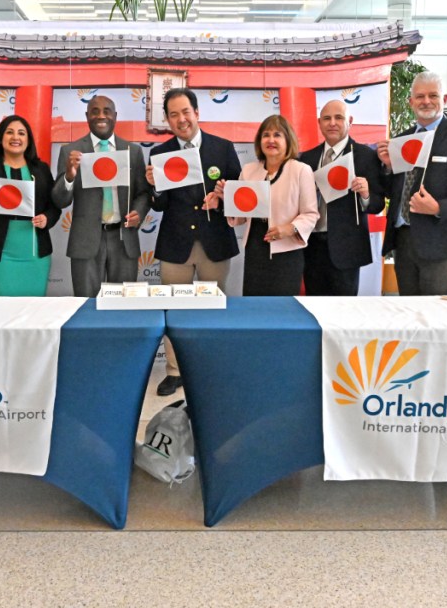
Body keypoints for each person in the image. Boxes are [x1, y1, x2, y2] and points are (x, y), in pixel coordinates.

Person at [145, 87, 242, 395]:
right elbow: (158, 205)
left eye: (185, 112)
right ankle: (174, 371)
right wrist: (155, 188)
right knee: (173, 309)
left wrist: (223, 200)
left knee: (213, 308)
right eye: (173, 114)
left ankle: (211, 365)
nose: (181, 119)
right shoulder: (160, 153)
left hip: (214, 241)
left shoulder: (223, 148)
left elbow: (240, 196)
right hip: (176, 244)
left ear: (197, 113)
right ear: (167, 120)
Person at [377, 71, 447, 296]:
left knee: (439, 316)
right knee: (408, 313)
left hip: (441, 240)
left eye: (433, 95)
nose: (426, 101)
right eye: (420, 96)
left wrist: (439, 208)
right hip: (403, 239)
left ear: (444, 100)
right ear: (411, 101)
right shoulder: (400, 140)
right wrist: (388, 167)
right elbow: (392, 191)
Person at [52, 95, 151, 297]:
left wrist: (138, 213)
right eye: (95, 111)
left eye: (107, 111)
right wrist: (70, 175)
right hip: (85, 240)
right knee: (85, 305)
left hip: (124, 239)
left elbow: (143, 193)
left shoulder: (133, 151)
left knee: (123, 307)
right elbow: (60, 200)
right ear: (87, 116)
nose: (101, 115)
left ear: (115, 116)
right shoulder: (70, 151)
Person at [299, 100, 386, 296]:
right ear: (319, 122)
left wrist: (365, 194)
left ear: (350, 121)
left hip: (347, 249)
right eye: (327, 118)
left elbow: (378, 203)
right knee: (314, 310)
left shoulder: (365, 156)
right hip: (312, 248)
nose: (332, 123)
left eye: (339, 118)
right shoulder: (307, 159)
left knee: (343, 314)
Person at [225, 115, 318, 296]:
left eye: (277, 135)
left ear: (288, 140)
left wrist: (290, 228)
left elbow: (311, 213)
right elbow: (241, 215)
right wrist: (227, 198)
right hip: (255, 249)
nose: (271, 140)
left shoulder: (301, 170)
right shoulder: (249, 170)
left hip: (287, 250)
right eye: (266, 135)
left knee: (282, 311)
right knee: (254, 307)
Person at [0, 115, 60, 296]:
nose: (15, 137)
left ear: (28, 139)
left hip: (34, 254)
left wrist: (46, 218)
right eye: (9, 132)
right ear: (1, 138)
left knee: (33, 311)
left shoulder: (40, 169)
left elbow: (54, 206)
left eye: (21, 133)